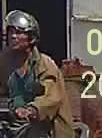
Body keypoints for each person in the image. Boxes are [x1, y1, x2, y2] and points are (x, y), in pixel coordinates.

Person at [5, 10, 74, 138]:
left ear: (31, 38)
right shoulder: (5, 63)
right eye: (11, 32)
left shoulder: (44, 64)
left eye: (19, 32)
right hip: (14, 125)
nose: (13, 36)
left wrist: (32, 110)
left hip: (45, 127)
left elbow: (51, 97)